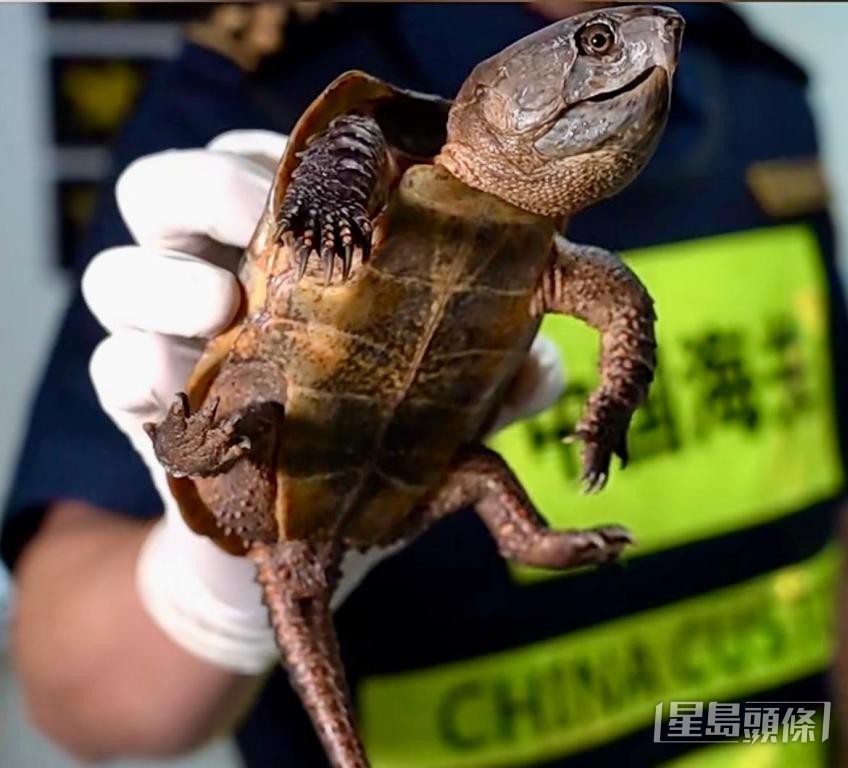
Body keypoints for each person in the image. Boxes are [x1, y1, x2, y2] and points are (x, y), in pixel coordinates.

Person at [3, 4, 846, 767]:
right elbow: (75, 701)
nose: (656, 42)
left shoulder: (765, 89)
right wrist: (204, 602)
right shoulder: (257, 80)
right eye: (598, 45)